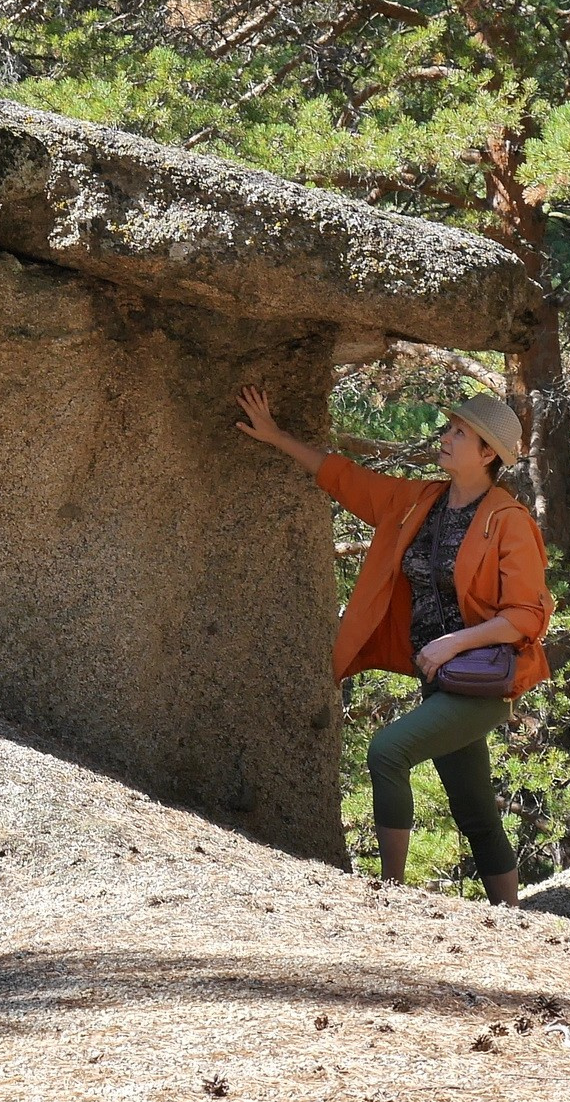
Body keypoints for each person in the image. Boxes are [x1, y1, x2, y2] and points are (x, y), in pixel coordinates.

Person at [234, 385, 552, 904]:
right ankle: (513, 921)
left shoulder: (507, 521)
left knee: (387, 751)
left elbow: (526, 616)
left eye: (458, 432)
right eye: (448, 426)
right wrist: (276, 437)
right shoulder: (419, 502)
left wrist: (452, 643)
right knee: (475, 810)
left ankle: (391, 895)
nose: (444, 437)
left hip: (482, 685)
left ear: (488, 453)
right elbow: (346, 480)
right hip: (441, 681)